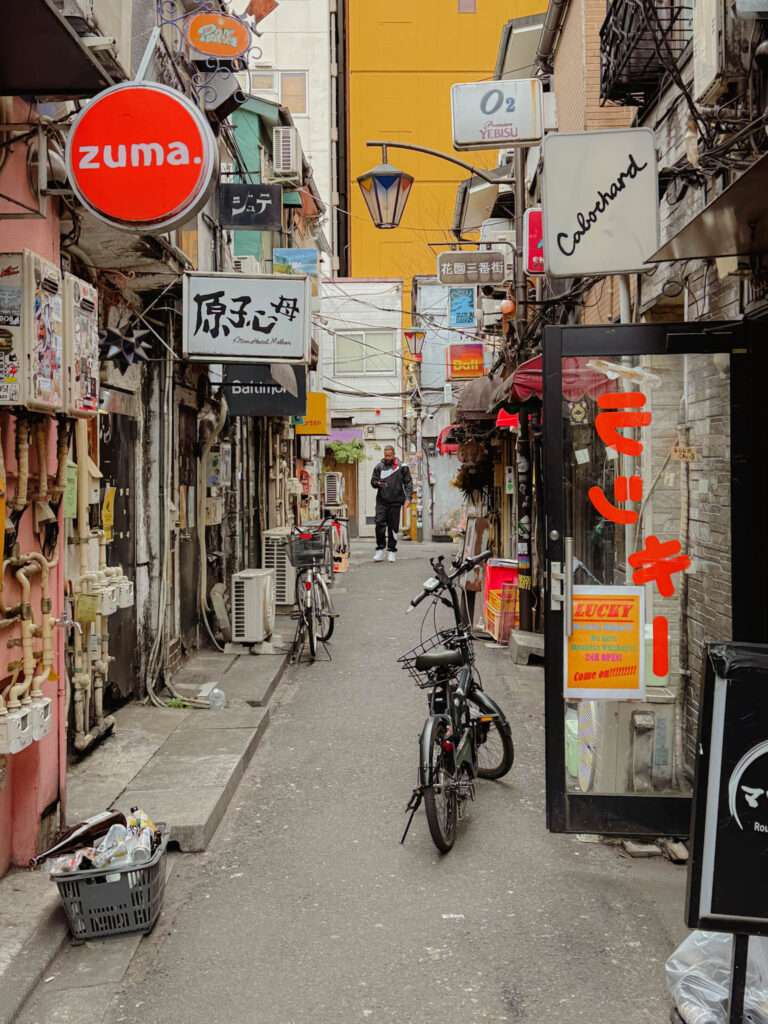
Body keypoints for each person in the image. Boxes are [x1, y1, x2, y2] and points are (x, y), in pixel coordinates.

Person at [371, 445, 412, 563]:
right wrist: (378, 483)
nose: (387, 458)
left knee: (393, 527)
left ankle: (392, 551)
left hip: (396, 501)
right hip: (381, 501)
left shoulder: (402, 467)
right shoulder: (379, 466)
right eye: (385, 455)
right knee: (379, 524)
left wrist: (408, 498)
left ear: (394, 454)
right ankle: (380, 549)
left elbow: (408, 483)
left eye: (389, 455)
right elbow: (373, 481)